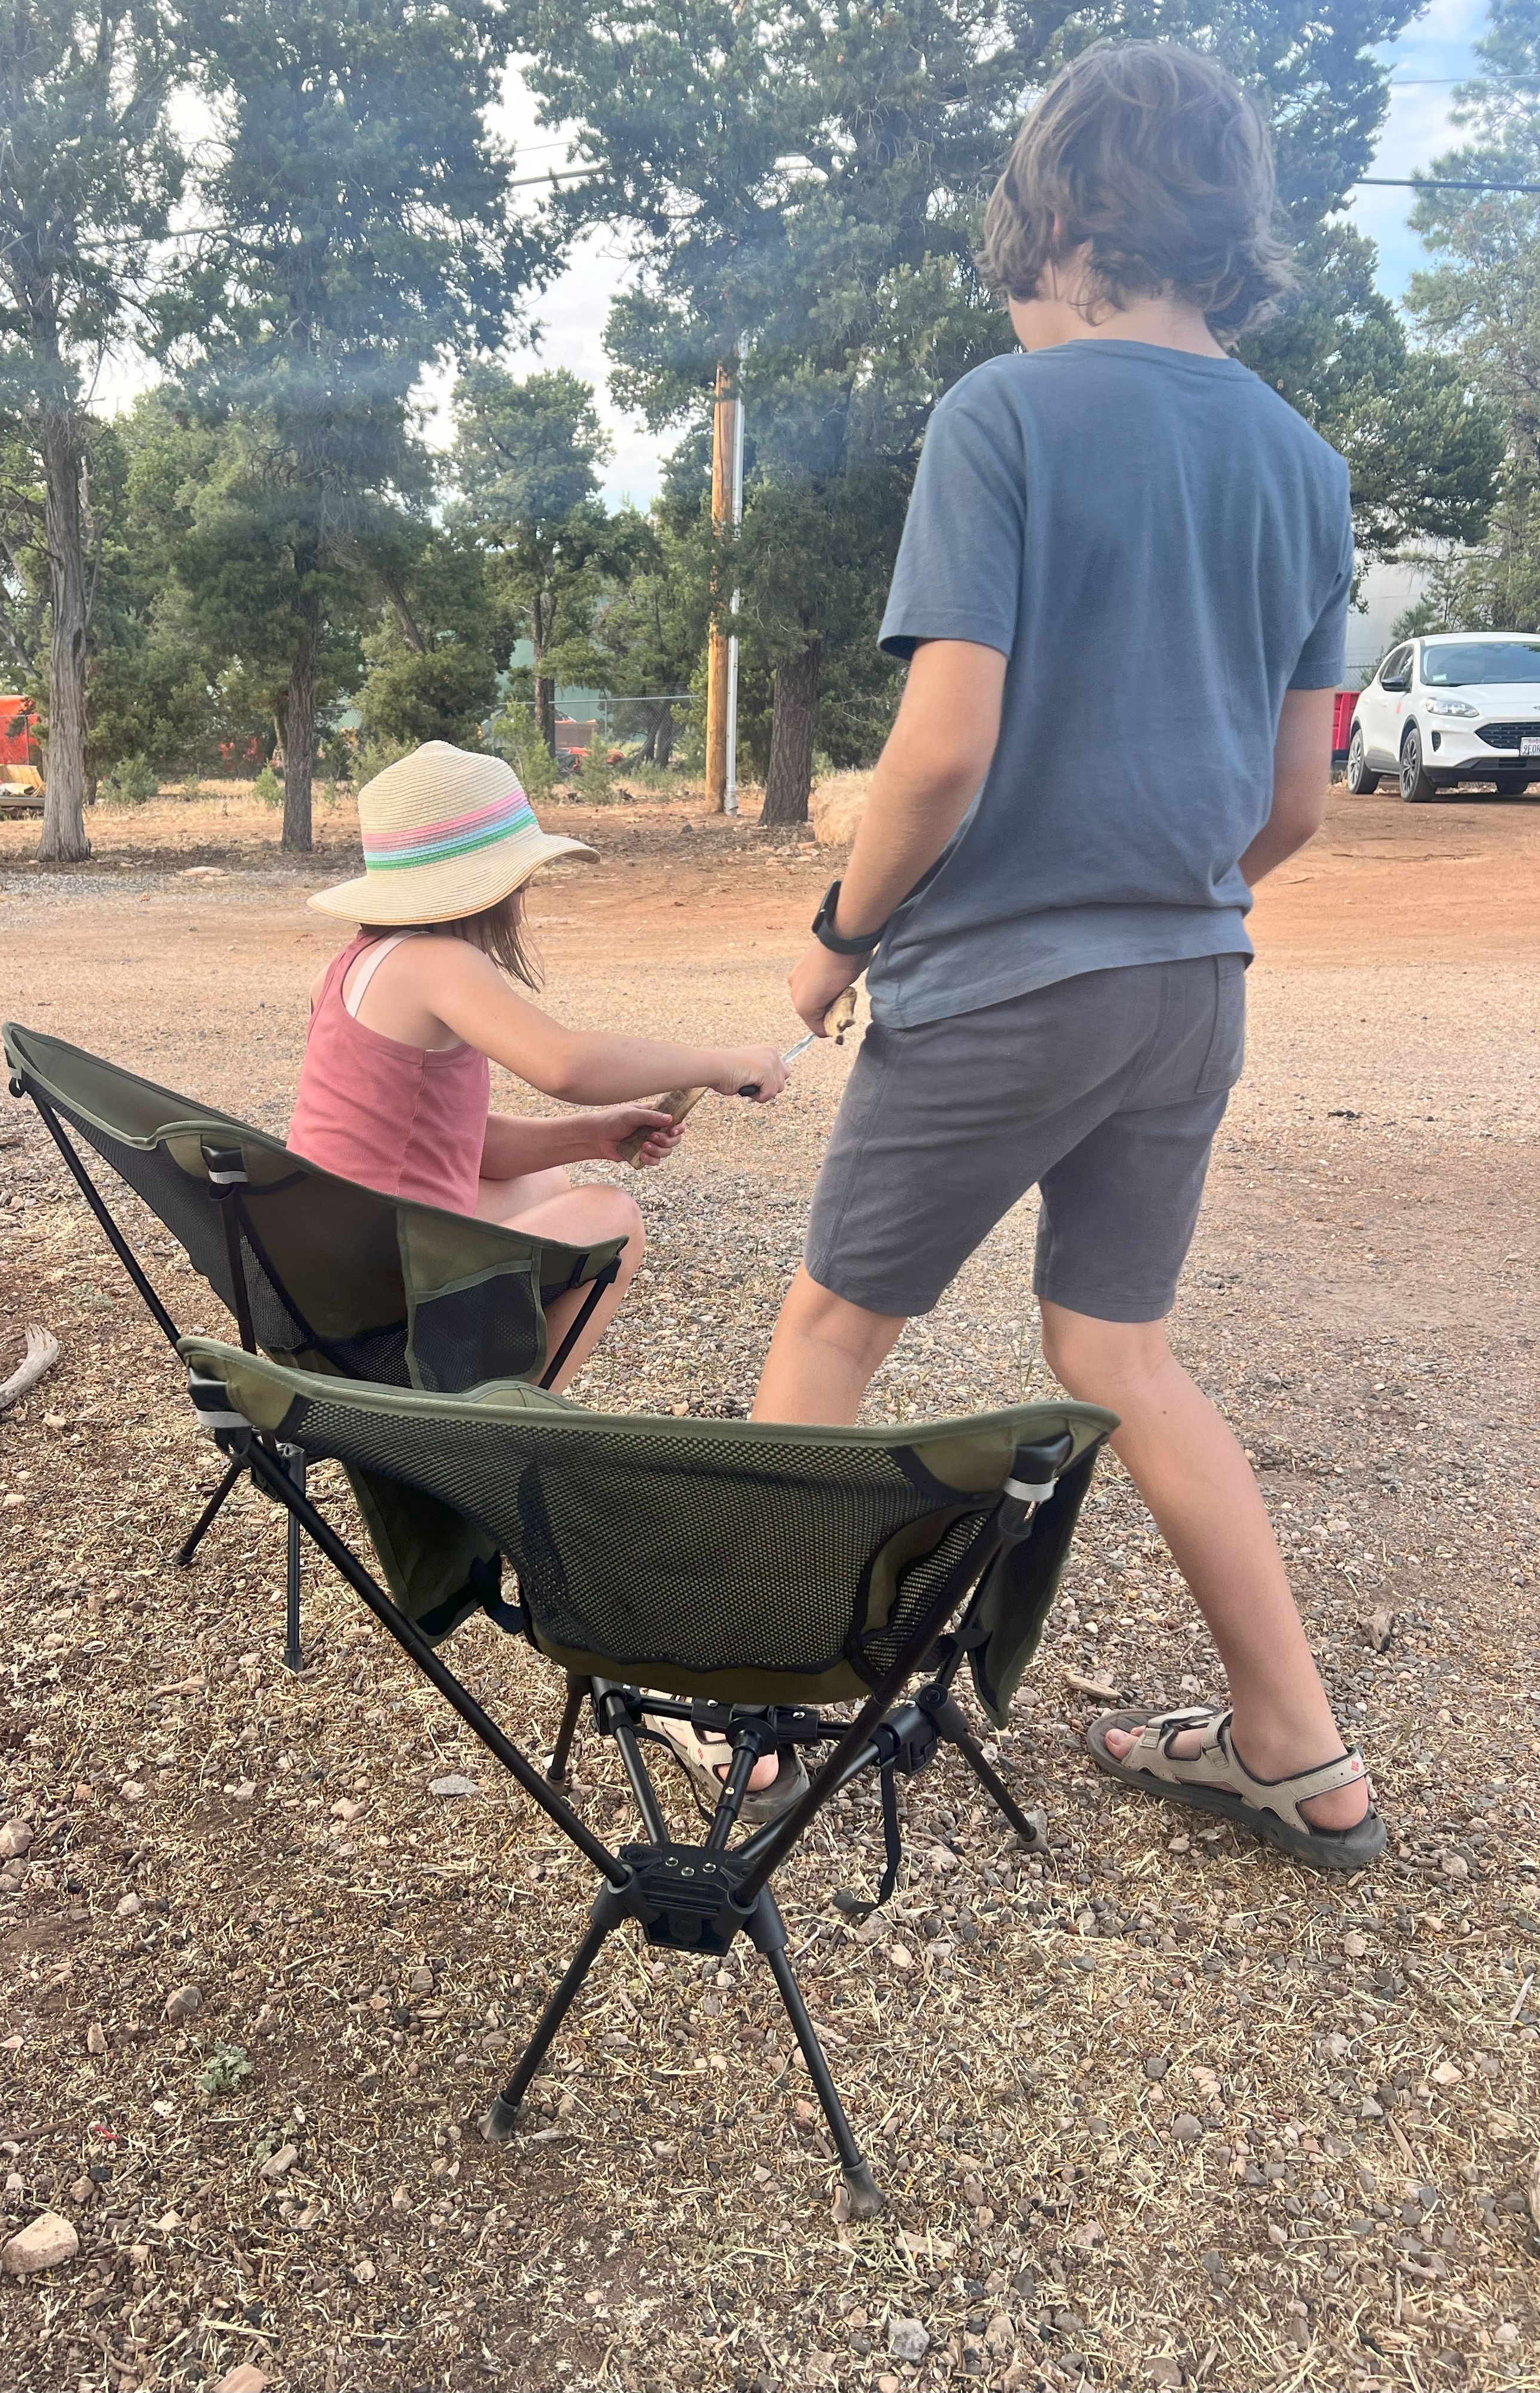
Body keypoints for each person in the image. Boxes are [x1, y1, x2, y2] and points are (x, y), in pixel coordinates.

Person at [753, 43, 1383, 1870]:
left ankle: (769, 1720)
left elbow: (941, 751)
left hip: (1002, 988)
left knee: (830, 1331)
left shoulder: (1004, 417)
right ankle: (1297, 1746)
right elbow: (1295, 805)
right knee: (1121, 1354)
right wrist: (1170, 886)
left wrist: (834, 944)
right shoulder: (1302, 461)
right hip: (1194, 984)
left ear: (1054, 229)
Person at [290, 738, 788, 1397]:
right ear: (492, 882)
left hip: (320, 1265)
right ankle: (506, 1427)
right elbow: (565, 1064)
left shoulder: (362, 961)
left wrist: (593, 1136)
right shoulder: (438, 964)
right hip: (377, 1286)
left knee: (552, 1185)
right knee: (612, 1221)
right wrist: (720, 1062)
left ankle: (476, 1383)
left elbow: (449, 1141)